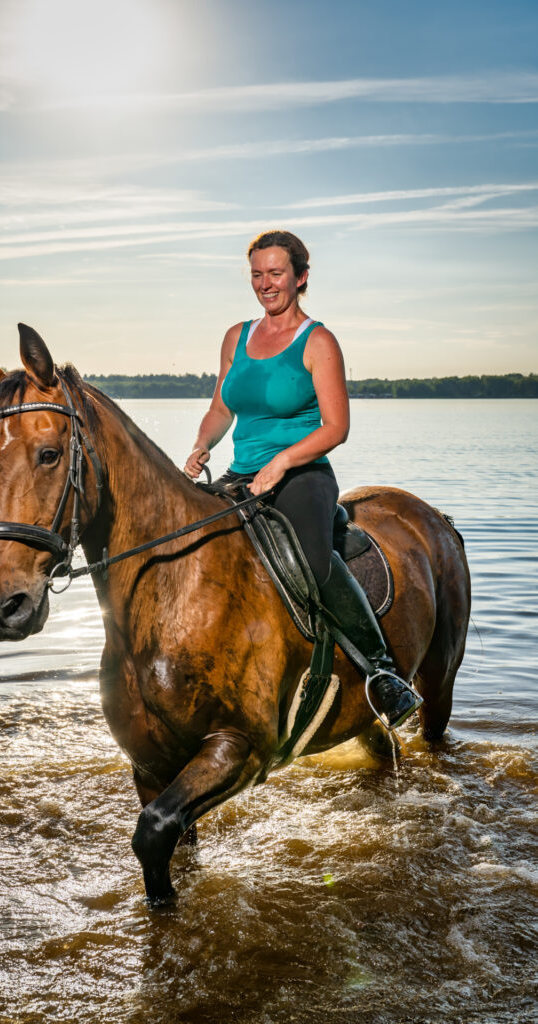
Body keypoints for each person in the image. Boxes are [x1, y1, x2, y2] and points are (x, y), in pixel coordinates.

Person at [184, 230, 421, 730]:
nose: (265, 284)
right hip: (241, 474)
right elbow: (221, 407)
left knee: (312, 561)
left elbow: (337, 427)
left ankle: (382, 672)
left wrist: (285, 461)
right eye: (256, 274)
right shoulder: (236, 337)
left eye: (276, 274)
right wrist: (202, 445)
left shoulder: (318, 341)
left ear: (300, 277)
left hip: (304, 473)